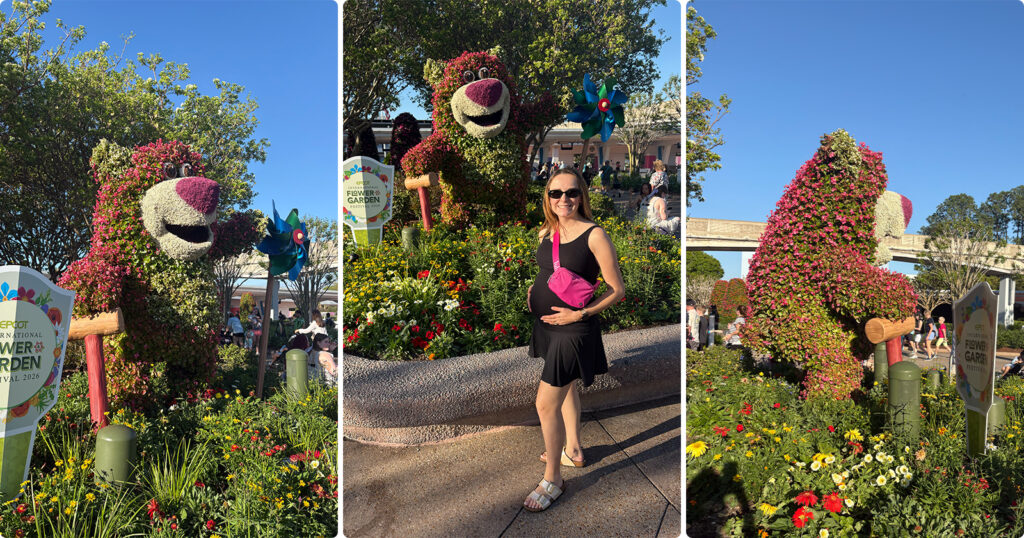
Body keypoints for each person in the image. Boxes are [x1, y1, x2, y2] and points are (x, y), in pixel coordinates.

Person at [523, 167, 625, 512]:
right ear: (547, 198)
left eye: (571, 193)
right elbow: (549, 270)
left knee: (545, 403)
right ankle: (574, 450)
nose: (563, 199)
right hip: (548, 324)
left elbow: (617, 291)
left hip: (573, 328)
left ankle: (553, 478)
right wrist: (532, 290)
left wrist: (579, 315)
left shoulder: (594, 234)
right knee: (565, 388)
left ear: (582, 196)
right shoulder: (547, 230)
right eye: (556, 193)